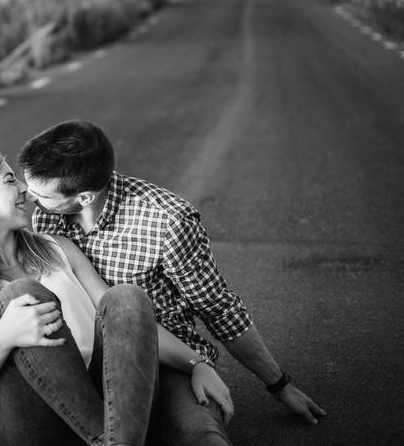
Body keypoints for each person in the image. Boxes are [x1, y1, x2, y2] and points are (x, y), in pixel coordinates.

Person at [17, 120, 327, 444]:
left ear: (83, 198)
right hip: (92, 361)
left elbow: (218, 309)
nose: (28, 198)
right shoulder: (47, 216)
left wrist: (278, 384)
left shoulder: (167, 220)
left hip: (170, 361)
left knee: (199, 436)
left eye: (38, 194)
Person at [0, 145, 234, 446]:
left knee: (126, 297)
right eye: (10, 180)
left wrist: (197, 363)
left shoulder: (58, 249)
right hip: (30, 419)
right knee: (24, 293)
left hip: (106, 404)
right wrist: (4, 334)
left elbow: (127, 324)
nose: (26, 188)